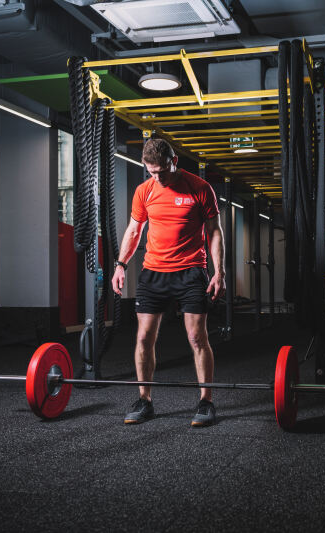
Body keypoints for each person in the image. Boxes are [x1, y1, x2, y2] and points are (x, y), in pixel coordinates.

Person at [111, 138, 225, 427]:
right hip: (154, 272)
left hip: (190, 271)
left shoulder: (200, 188)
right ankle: (144, 400)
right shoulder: (144, 191)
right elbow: (134, 229)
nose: (158, 177)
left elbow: (214, 232)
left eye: (162, 170)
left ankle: (206, 401)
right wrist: (120, 264)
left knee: (197, 337)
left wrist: (219, 271)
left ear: (175, 161)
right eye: (152, 172)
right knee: (143, 337)